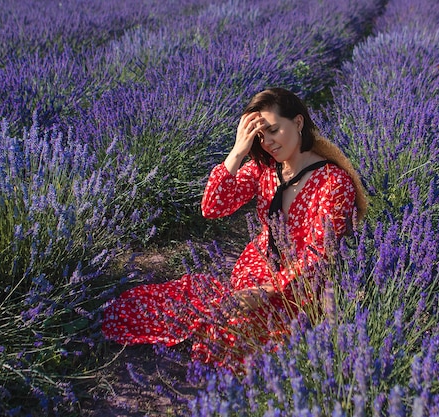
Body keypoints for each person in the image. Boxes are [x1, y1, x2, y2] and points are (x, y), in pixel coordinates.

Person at [102, 87, 367, 366]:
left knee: (234, 333)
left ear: (298, 122)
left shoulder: (334, 183)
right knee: (220, 318)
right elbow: (212, 207)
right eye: (260, 136)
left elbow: (319, 254)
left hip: (302, 284)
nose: (268, 143)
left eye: (274, 130)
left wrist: (267, 290)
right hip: (258, 267)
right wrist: (237, 151)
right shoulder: (264, 168)